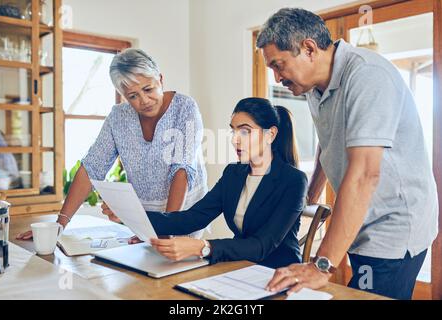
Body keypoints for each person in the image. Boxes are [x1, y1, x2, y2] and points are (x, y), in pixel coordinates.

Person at [256, 8, 438, 299]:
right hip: (363, 218)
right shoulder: (316, 87)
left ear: (309, 49)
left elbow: (366, 174)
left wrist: (322, 265)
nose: (277, 78)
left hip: (393, 224)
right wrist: (309, 197)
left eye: (279, 65)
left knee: (365, 294)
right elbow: (327, 144)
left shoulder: (367, 76)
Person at [17, 48, 208, 240]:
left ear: (160, 79)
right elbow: (91, 168)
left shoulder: (185, 108)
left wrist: (165, 232)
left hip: (185, 211)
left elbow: (181, 170)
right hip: (145, 217)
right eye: (132, 96)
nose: (144, 100)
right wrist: (59, 225)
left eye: (148, 89)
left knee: (181, 266)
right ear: (122, 95)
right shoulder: (118, 117)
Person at [102, 98, 307, 268]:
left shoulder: (293, 181)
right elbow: (192, 218)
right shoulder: (233, 174)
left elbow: (261, 245)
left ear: (270, 134)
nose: (235, 140)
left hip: (279, 272)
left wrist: (202, 246)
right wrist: (131, 215)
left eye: (245, 131)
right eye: (233, 131)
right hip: (239, 266)